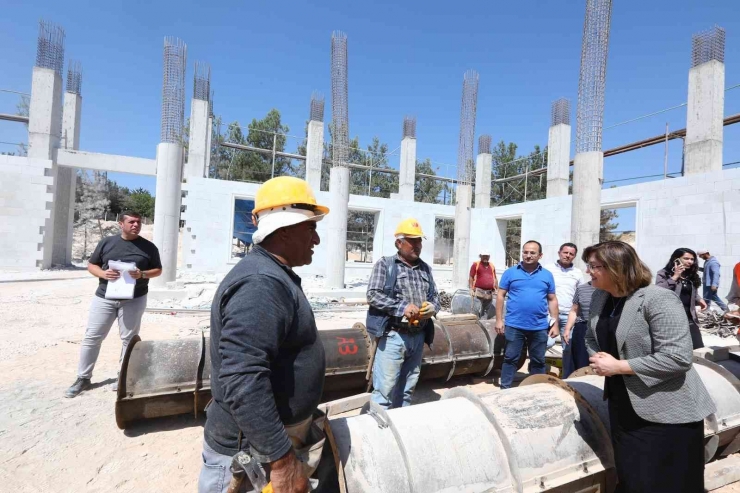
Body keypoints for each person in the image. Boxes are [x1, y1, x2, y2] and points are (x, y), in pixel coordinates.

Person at [199, 177, 332, 493]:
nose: (316, 239)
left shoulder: (272, 275)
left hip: (266, 448)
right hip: (252, 458)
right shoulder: (261, 285)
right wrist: (283, 462)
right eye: (310, 228)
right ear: (285, 230)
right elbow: (243, 378)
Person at [584, 241, 715, 493]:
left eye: (594, 266)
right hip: (623, 405)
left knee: (670, 482)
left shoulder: (658, 299)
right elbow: (590, 336)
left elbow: (677, 357)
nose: (589, 271)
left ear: (616, 267)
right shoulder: (600, 297)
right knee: (634, 478)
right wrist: (600, 360)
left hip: (667, 411)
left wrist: (619, 366)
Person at [64, 211, 162, 398]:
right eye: (131, 222)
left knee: (129, 339)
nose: (136, 225)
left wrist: (142, 274)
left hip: (134, 299)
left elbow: (158, 270)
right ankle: (83, 378)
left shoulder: (149, 247)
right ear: (121, 224)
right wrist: (103, 274)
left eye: (138, 222)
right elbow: (92, 265)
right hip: (104, 298)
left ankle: (123, 377)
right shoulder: (107, 243)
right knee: (92, 336)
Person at [366, 218, 440, 410]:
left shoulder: (425, 269)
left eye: (419, 241)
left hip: (417, 336)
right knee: (385, 390)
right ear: (399, 243)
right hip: (393, 336)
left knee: (407, 389)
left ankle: (400, 428)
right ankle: (378, 431)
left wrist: (433, 307)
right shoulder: (386, 265)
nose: (417, 245)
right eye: (412, 241)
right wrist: (402, 308)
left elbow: (436, 297)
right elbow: (373, 295)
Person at [495, 240, 559, 389]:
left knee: (538, 360)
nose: (528, 255)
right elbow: (500, 296)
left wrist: (555, 324)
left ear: (540, 255)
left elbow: (552, 299)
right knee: (510, 358)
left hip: (539, 326)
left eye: (532, 253)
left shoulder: (547, 275)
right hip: (514, 325)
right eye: (525, 252)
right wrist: (499, 320)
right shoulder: (510, 272)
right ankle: (505, 389)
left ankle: (537, 390)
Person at [656, 248, 707, 349]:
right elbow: (658, 290)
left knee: (697, 346)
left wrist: (700, 300)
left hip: (690, 316)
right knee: (676, 348)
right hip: (671, 318)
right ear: (676, 259)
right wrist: (675, 277)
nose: (690, 262)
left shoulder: (691, 274)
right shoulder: (664, 273)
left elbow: (693, 292)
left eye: (692, 259)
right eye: (686, 258)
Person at [545, 242, 583, 377]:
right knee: (545, 343)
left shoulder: (577, 273)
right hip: (548, 315)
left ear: (574, 256)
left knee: (568, 348)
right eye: (565, 252)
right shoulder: (547, 269)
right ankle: (541, 374)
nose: (568, 256)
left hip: (569, 316)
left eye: (571, 254)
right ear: (559, 253)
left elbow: (581, 294)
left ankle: (567, 378)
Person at [562, 280, 596, 377]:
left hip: (602, 328)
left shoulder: (609, 288)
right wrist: (567, 329)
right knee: (580, 362)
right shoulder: (581, 288)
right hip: (582, 328)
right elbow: (574, 310)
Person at [469, 250, 498, 320]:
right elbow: (471, 277)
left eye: (487, 256)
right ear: (480, 256)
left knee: (486, 311)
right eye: (484, 256)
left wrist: (496, 289)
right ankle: (475, 326)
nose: (485, 258)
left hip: (489, 293)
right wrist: (471, 289)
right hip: (479, 292)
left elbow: (495, 278)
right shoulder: (476, 265)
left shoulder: (491, 266)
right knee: (476, 310)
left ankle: (484, 324)